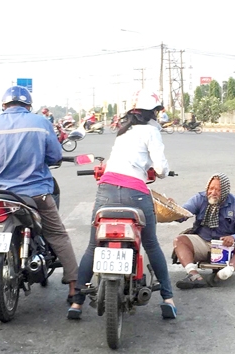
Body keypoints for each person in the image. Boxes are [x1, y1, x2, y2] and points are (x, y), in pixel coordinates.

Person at [68, 89, 176, 320]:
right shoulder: (151, 131)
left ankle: (76, 303)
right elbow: (161, 169)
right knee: (151, 244)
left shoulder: (123, 132)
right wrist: (157, 171)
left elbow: (113, 162)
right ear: (154, 113)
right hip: (135, 194)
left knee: (92, 246)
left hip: (106, 192)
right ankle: (167, 298)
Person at [0, 86, 78, 305]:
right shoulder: (41, 123)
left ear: (4, 105)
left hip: (1, 195)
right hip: (36, 194)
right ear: (28, 106)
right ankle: (75, 288)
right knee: (57, 234)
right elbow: (55, 155)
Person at [173, 173, 235, 289]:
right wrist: (173, 209)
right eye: (211, 188)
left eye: (218, 190)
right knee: (180, 240)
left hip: (226, 246)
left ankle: (223, 274)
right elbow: (183, 214)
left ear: (225, 191)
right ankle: (194, 275)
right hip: (203, 241)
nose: (213, 192)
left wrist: (233, 238)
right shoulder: (200, 198)